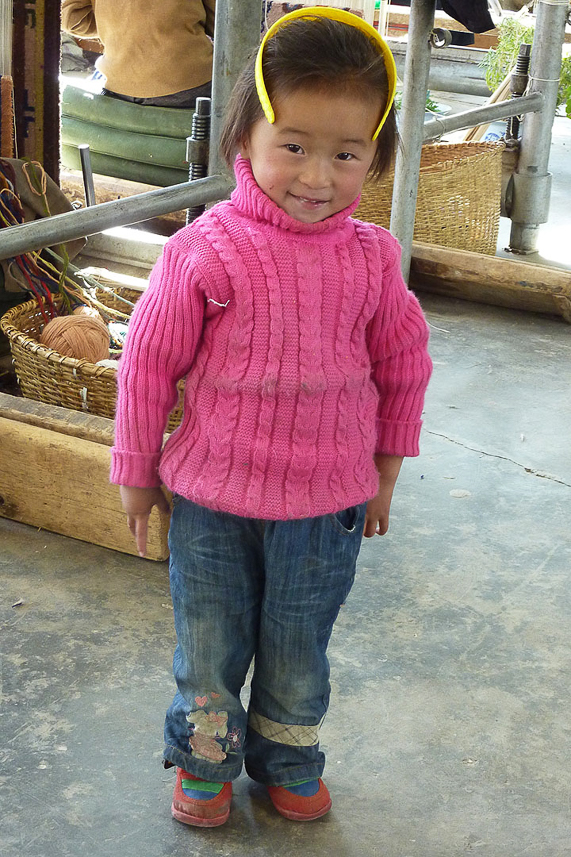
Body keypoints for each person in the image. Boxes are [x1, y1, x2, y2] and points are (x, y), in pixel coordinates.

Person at [111, 6, 433, 828]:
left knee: (296, 650)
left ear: (377, 157)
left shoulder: (372, 258)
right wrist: (135, 474)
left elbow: (403, 364)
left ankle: (288, 756)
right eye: (293, 145)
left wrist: (384, 473)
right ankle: (205, 761)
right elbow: (148, 366)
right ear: (245, 139)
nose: (318, 176)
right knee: (210, 650)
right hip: (213, 504)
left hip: (325, 508)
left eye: (346, 152)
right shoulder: (204, 250)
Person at [61, 0, 215, 108]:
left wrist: (121, 29)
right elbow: (222, 22)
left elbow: (71, 19)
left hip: (118, 86)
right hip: (189, 85)